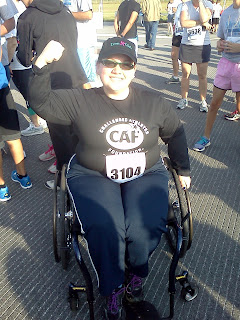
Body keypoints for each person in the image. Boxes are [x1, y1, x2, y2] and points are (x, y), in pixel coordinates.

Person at [28, 37, 191, 319]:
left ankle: (135, 278)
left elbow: (175, 132)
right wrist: (40, 64)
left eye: (125, 64)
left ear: (134, 69)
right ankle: (112, 288)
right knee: (107, 229)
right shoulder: (80, 99)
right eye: (110, 62)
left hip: (145, 172)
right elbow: (40, 101)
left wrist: (183, 169)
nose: (117, 69)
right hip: (92, 174)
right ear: (99, 66)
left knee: (143, 227)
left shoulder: (153, 102)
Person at [17, 0, 89, 189]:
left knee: (60, 134)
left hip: (50, 81)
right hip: (75, 75)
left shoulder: (27, 17)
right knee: (74, 129)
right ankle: (67, 162)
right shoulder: (65, 10)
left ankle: (66, 179)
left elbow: (24, 58)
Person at [193, 0, 240, 152]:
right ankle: (205, 137)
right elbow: (221, 38)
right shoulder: (226, 12)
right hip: (225, 64)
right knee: (214, 104)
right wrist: (219, 45)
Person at [176, 0, 213, 111]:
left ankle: (203, 101)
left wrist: (201, 3)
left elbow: (204, 18)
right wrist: (200, 23)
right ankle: (184, 99)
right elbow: (184, 23)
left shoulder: (208, 4)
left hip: (202, 45)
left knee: (202, 75)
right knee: (185, 74)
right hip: (187, 44)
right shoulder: (185, 5)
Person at [63, 0, 97, 83]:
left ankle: (88, 94)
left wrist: (65, 14)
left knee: (84, 76)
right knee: (75, 74)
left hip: (83, 42)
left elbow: (88, 15)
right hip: (72, 40)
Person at [165, 0, 184, 84]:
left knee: (186, 59)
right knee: (174, 55)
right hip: (177, 33)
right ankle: (175, 76)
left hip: (187, 35)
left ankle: (186, 78)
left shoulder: (192, 5)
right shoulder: (179, 5)